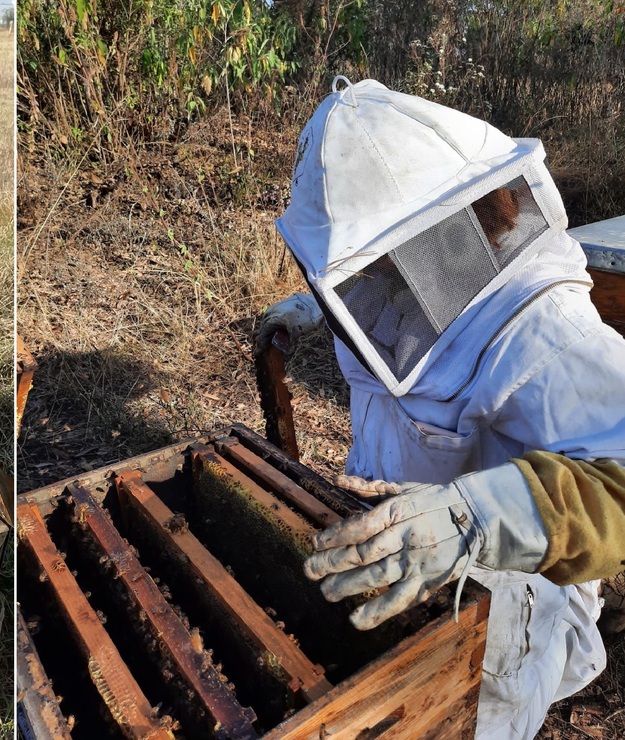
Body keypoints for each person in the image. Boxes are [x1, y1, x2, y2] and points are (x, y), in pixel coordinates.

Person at [257, 77, 625, 738]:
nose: (384, 273)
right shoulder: (422, 271)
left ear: (462, 222)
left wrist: (488, 515)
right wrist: (314, 307)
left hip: (504, 601)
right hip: (411, 541)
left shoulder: (550, 336)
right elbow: (385, 292)